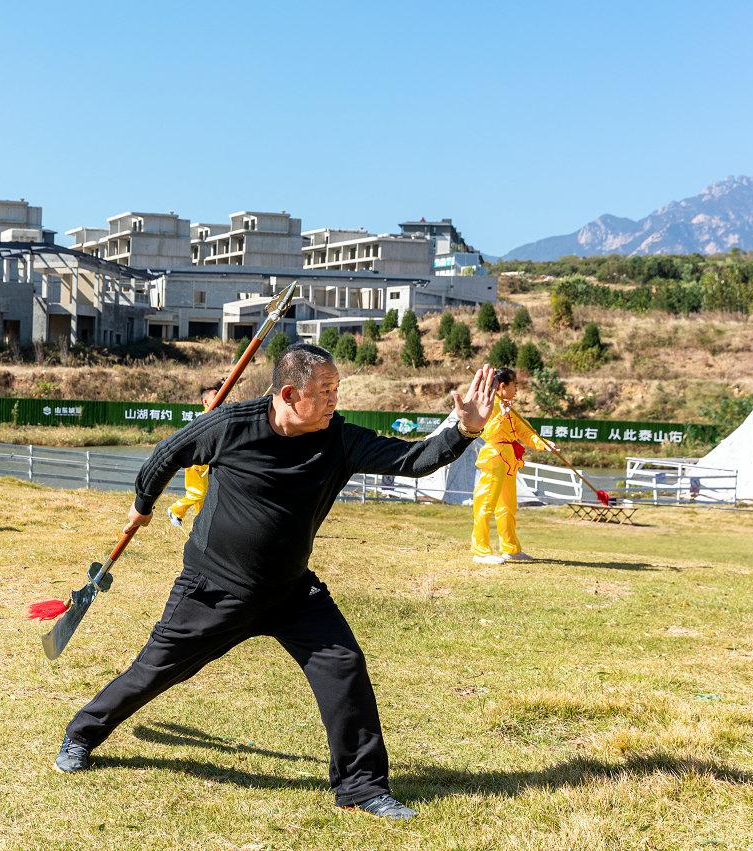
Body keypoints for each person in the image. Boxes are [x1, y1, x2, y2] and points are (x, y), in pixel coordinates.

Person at [54, 344, 495, 821]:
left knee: (344, 666)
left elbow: (413, 459)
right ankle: (81, 734)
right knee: (156, 670)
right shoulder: (231, 425)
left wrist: (466, 429)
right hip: (214, 588)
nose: (334, 400)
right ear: (288, 394)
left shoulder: (340, 439)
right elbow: (167, 453)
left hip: (291, 591)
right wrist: (142, 505)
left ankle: (362, 787)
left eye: (336, 389)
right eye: (324, 391)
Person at [471, 367, 554, 565]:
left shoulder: (509, 408)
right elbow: (488, 432)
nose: (516, 389)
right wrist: (502, 414)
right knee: (486, 503)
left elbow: (524, 431)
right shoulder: (488, 405)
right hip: (494, 456)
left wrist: (543, 443)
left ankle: (510, 548)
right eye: (514, 385)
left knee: (507, 506)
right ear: (502, 386)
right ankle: (481, 551)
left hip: (509, 459)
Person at [166, 380, 224, 528]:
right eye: (215, 395)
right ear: (205, 401)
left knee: (203, 498)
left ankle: (200, 525)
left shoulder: (216, 417)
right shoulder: (203, 419)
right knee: (197, 493)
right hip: (195, 464)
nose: (220, 398)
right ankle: (175, 510)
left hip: (205, 465)